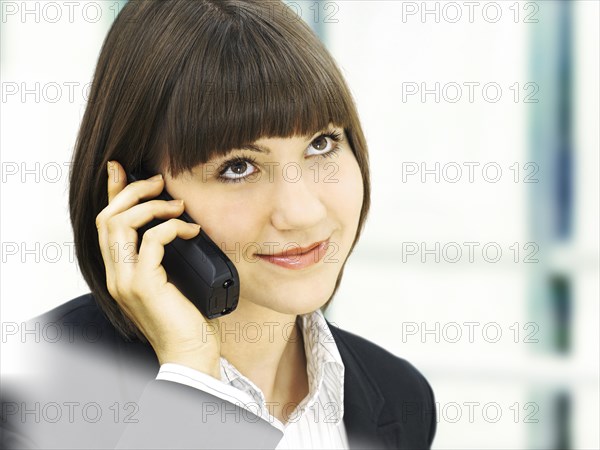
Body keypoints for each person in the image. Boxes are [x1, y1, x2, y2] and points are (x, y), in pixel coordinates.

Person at [1, 1, 436, 448]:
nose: (303, 212)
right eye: (238, 167)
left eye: (322, 144)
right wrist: (188, 376)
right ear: (139, 191)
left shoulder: (398, 395)